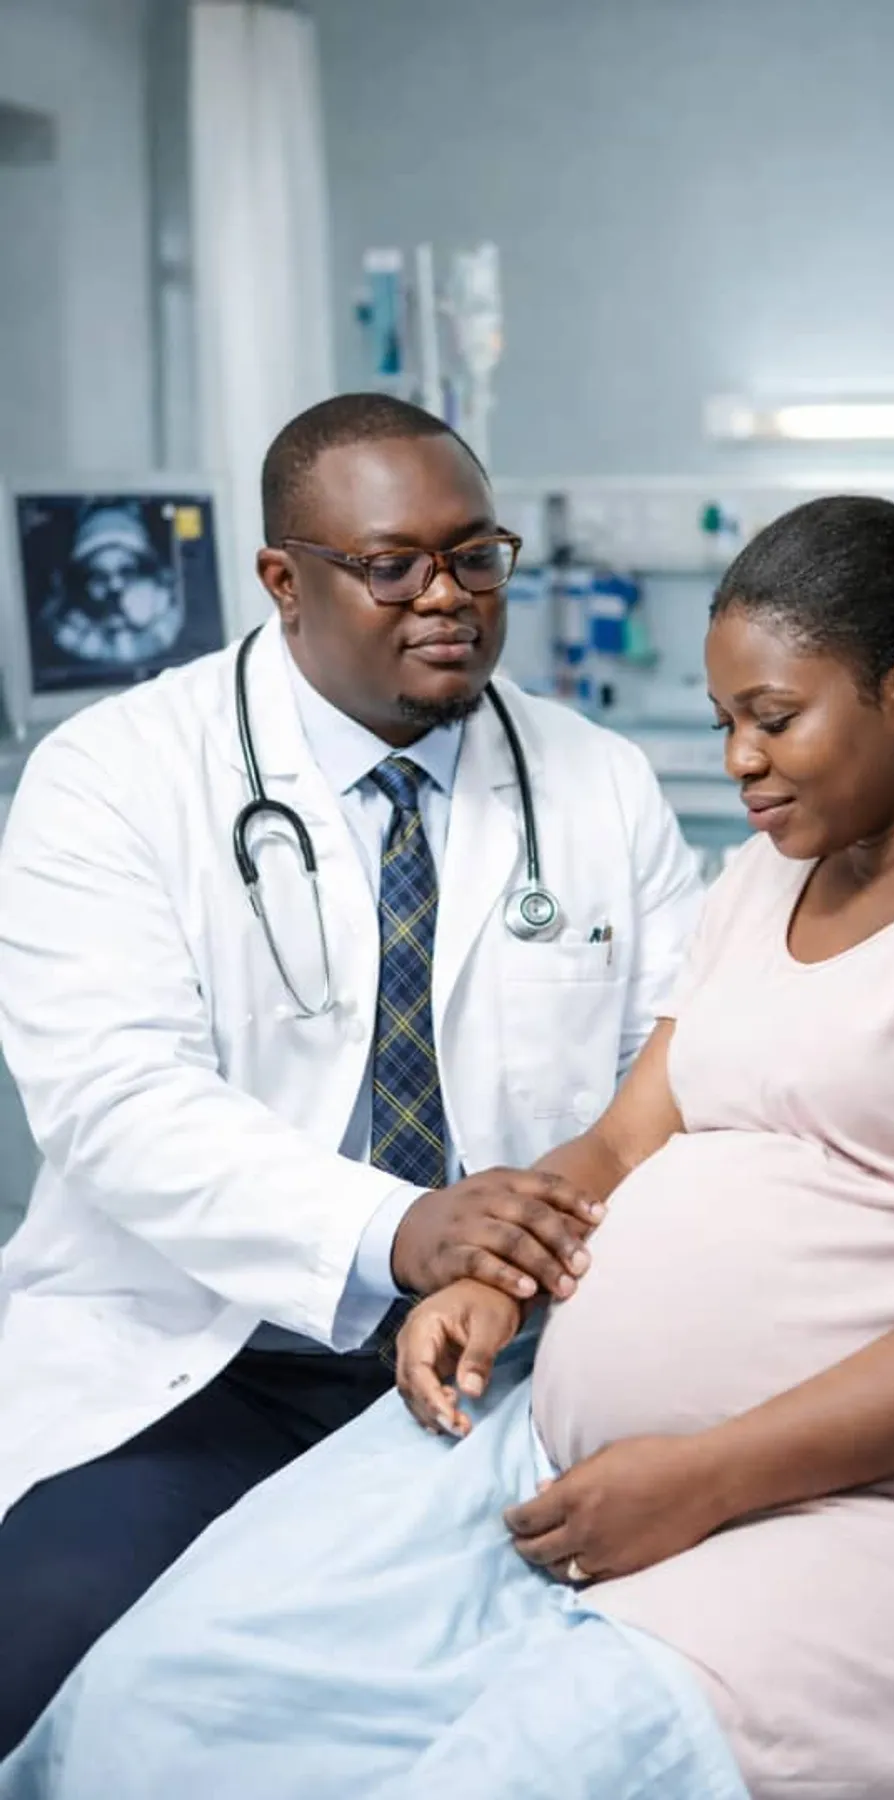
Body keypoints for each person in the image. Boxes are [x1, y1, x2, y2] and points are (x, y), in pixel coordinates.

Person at [5, 496, 894, 1800]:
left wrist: (700, 1479)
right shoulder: (759, 883)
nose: (739, 758)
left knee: (520, 1768)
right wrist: (487, 1270)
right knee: (171, 1693)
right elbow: (625, 1138)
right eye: (727, 717)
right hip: (591, 1461)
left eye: (775, 718)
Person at [0, 393, 701, 1753]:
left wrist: (495, 1270)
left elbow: (668, 1088)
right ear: (283, 580)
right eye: (394, 566)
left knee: (536, 1714)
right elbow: (113, 1103)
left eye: (476, 557)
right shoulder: (116, 776)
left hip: (511, 1362)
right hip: (206, 1364)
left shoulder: (599, 783)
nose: (448, 597)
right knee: (43, 1658)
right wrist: (398, 1230)